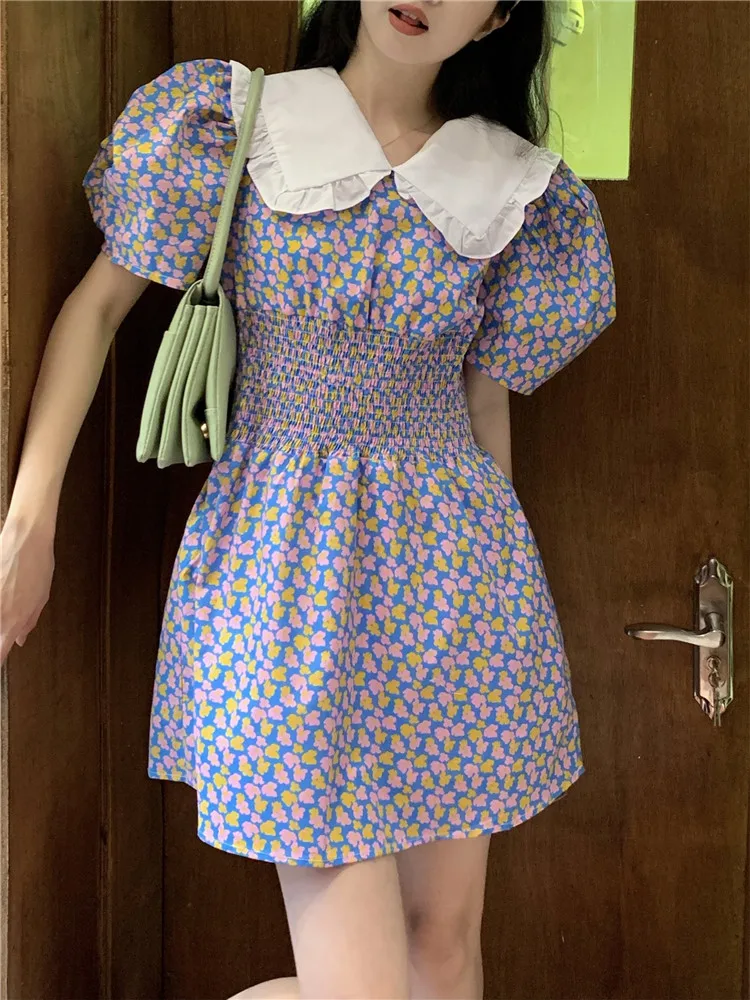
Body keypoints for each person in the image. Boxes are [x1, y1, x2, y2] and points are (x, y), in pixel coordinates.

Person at [0, 1, 616, 997]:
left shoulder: (513, 187)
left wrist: (502, 606)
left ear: (498, 17)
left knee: (442, 948)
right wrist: (30, 527)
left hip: (459, 591)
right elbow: (97, 306)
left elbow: (483, 404)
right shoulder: (237, 126)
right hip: (282, 578)